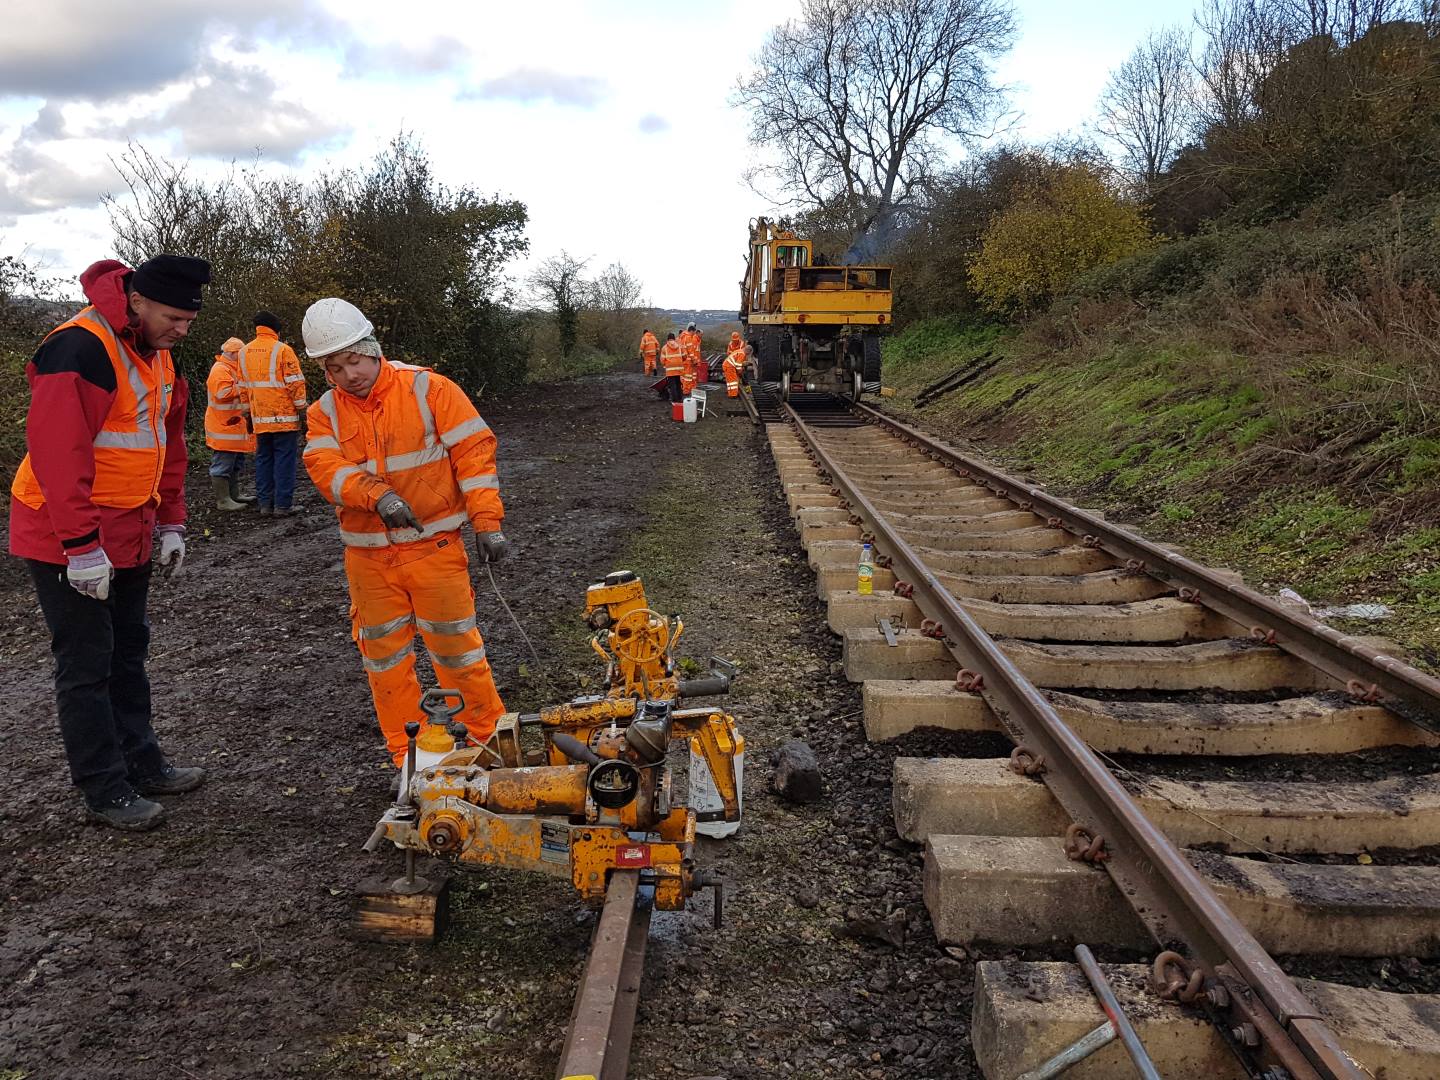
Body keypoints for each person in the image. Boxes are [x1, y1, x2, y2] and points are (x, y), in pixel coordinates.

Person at [8, 255, 210, 831]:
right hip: (62, 533)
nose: (182, 330)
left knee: (128, 652)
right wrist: (80, 545)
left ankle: (142, 763)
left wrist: (172, 519)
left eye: (189, 321)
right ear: (138, 302)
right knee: (87, 664)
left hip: (130, 529)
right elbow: (57, 451)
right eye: (174, 317)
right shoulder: (79, 348)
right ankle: (103, 788)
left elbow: (168, 443)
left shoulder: (158, 356)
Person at [300, 298, 510, 771]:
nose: (348, 374)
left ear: (373, 349)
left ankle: (490, 743)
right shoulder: (324, 413)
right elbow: (324, 468)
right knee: (385, 662)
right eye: (335, 367)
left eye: (354, 360)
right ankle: (409, 757)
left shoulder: (429, 389)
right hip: (369, 560)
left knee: (458, 650)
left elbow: (475, 456)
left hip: (434, 550)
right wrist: (378, 497)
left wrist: (487, 523)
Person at [240, 310, 306, 516]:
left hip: (259, 418)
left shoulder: (244, 352)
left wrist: (247, 414)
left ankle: (265, 505)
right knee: (284, 460)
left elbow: (242, 387)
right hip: (284, 418)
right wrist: (302, 410)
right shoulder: (283, 350)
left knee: (263, 459)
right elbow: (295, 383)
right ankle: (283, 505)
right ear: (276, 329)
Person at [205, 335, 256, 511]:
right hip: (224, 426)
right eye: (241, 354)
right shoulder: (220, 369)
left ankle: (234, 495)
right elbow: (222, 392)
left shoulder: (232, 368)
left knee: (235, 463)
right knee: (222, 465)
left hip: (233, 426)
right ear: (234, 353)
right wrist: (245, 386)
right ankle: (223, 500)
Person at [659, 331, 685, 417]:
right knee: (678, 383)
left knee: (672, 384)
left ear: (667, 339)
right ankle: (680, 398)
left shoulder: (664, 348)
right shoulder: (679, 346)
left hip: (670, 368)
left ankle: (674, 400)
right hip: (679, 367)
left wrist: (665, 364)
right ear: (674, 338)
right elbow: (684, 356)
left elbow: (662, 360)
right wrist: (680, 362)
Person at [679, 322, 702, 396]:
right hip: (688, 361)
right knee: (688, 377)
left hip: (686, 360)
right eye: (694, 332)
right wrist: (694, 360)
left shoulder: (684, 337)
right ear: (691, 330)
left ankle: (687, 389)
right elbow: (691, 351)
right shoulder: (688, 337)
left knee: (686, 376)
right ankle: (686, 391)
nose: (694, 334)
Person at [723, 331, 746, 399]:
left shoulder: (741, 344)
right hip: (732, 362)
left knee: (734, 379)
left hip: (737, 361)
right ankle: (732, 392)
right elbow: (728, 353)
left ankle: (734, 391)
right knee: (732, 379)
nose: (735, 341)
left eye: (736, 340)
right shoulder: (730, 344)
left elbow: (741, 353)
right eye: (734, 340)